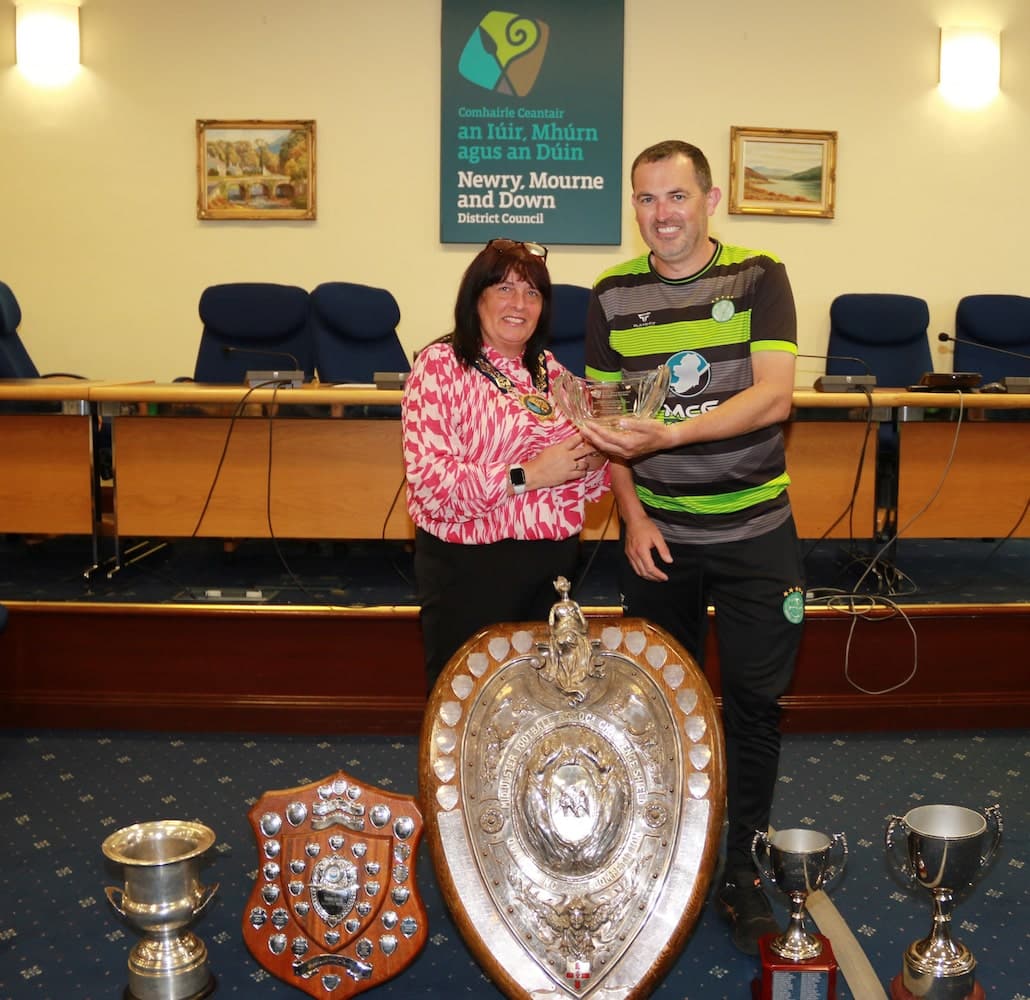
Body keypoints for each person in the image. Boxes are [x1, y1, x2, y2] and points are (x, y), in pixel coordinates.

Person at [579, 140, 805, 955]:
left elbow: (774, 399)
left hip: (755, 535)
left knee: (752, 705)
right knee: (660, 708)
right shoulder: (611, 295)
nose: (661, 214)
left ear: (709, 201)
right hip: (661, 540)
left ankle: (742, 865)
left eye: (676, 197)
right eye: (646, 200)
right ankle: (665, 852)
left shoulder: (759, 275)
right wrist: (633, 517)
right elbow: (608, 428)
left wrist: (670, 430)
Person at [402, 238, 608, 688]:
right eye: (505, 289)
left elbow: (589, 481)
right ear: (475, 297)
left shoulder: (552, 373)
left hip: (551, 572)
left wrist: (593, 458)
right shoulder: (441, 366)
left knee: (538, 710)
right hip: (469, 571)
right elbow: (431, 485)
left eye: (532, 293)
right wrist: (529, 475)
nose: (520, 304)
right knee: (467, 709)